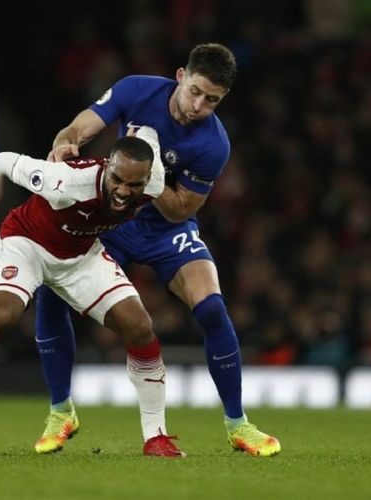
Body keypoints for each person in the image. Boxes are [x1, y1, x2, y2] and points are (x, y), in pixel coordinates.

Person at [34, 43, 281, 457]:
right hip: (111, 219)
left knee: (212, 308)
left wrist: (154, 175)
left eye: (212, 100)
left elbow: (181, 208)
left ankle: (239, 424)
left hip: (165, 228)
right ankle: (61, 412)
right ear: (181, 76)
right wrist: (65, 143)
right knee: (50, 290)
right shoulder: (136, 90)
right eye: (196, 92)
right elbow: (81, 127)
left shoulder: (213, 145)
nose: (198, 106)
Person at [0, 130, 188, 458]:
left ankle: (156, 437)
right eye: (117, 180)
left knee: (139, 326)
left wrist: (143, 129)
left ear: (148, 179)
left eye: (133, 185)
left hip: (80, 258)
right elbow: (2, 161)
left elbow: (148, 133)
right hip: (27, 244)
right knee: (1, 316)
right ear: (107, 168)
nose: (123, 191)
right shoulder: (65, 181)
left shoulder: (154, 182)